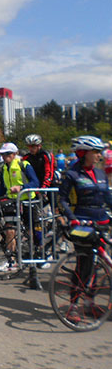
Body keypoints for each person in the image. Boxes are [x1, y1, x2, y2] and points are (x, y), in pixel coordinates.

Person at [58, 135, 112, 322]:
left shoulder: (100, 174)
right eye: (95, 152)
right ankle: (73, 306)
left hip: (101, 223)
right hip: (82, 224)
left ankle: (89, 303)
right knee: (84, 265)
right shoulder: (72, 174)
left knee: (99, 264)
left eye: (99, 152)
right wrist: (72, 218)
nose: (99, 155)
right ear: (84, 153)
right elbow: (62, 200)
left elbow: (108, 199)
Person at [0, 142, 40, 273]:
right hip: (13, 201)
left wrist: (21, 187)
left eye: (8, 154)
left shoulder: (24, 165)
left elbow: (35, 182)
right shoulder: (4, 168)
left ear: (15, 154)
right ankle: (11, 260)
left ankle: (35, 256)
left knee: (30, 230)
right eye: (3, 154)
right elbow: (3, 187)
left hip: (27, 201)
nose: (5, 156)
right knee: (10, 230)